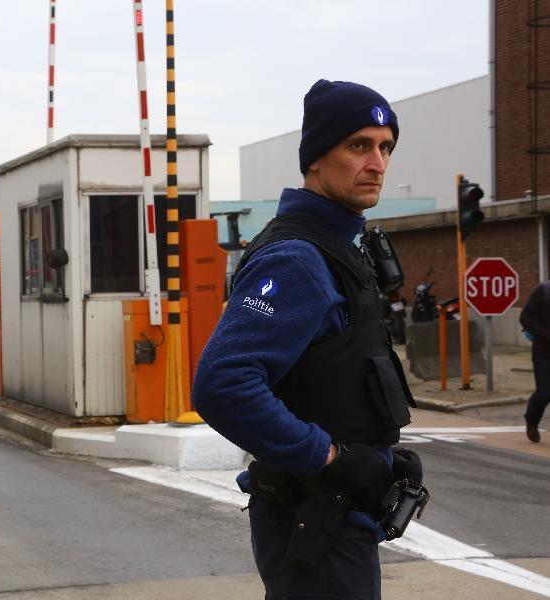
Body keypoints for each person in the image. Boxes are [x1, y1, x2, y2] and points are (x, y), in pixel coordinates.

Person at [192, 80, 422, 600]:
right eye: (359, 145)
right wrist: (333, 459)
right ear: (316, 157)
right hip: (314, 524)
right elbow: (222, 384)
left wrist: (379, 457)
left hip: (338, 522)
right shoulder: (297, 258)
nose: (377, 163)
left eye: (386, 147)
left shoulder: (337, 249)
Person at [520, 279, 550, 443]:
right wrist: (545, 335)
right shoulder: (543, 291)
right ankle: (532, 421)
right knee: (544, 393)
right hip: (544, 351)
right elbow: (525, 318)